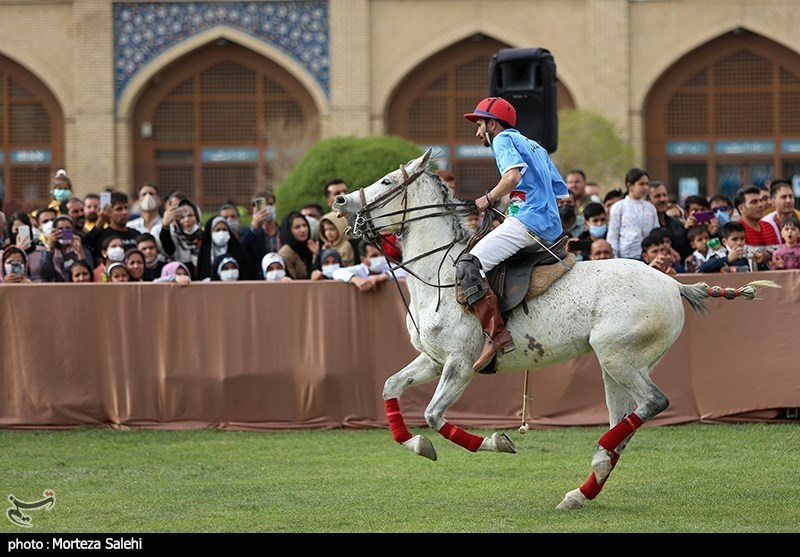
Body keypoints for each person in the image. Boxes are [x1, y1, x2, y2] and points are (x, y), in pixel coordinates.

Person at [459, 97, 569, 371]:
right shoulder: (536, 146)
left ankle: (495, 335)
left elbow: (512, 178)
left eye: (480, 124)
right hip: (551, 227)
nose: (477, 132)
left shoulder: (501, 140)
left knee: (468, 264)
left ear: (492, 124)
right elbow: (562, 193)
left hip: (528, 222)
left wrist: (489, 198)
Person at [607, 168, 659, 259]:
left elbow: (656, 232)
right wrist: (614, 259)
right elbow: (613, 235)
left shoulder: (650, 208)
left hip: (648, 256)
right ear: (630, 185)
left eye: (647, 184)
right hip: (626, 256)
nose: (645, 187)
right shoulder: (618, 207)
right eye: (641, 184)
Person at [83, 191, 140, 261]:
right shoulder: (103, 237)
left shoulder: (136, 234)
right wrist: (101, 220)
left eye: (126, 208)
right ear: (109, 211)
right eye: (119, 209)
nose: (124, 212)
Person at [331, 239, 407, 292]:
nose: (380, 258)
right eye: (374, 256)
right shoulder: (359, 269)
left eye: (381, 254)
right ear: (363, 259)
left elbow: (405, 270)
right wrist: (356, 280)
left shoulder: (388, 267)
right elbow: (337, 272)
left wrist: (382, 277)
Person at [196, 216, 256, 281]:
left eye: (224, 229)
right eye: (217, 230)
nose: (221, 232)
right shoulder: (204, 254)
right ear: (210, 232)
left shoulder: (239, 251)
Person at [158, 198, 203, 278]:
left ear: (197, 216)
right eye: (182, 217)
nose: (187, 220)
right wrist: (165, 225)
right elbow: (169, 249)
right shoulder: (174, 235)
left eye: (190, 215)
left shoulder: (205, 235)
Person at [647, 181, 691, 261]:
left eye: (664, 195)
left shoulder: (677, 225)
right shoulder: (645, 226)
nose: (662, 199)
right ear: (647, 201)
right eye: (657, 196)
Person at [40, 215, 93, 282]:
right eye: (60, 229)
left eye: (68, 228)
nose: (64, 231)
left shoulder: (84, 249)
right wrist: (49, 248)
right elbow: (45, 273)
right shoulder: (48, 251)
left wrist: (80, 252)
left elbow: (89, 271)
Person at [734, 185, 776, 268]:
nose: (760, 205)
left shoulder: (769, 226)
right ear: (741, 208)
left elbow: (779, 253)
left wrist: (767, 255)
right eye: (754, 202)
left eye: (760, 201)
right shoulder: (735, 230)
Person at [240, 190, 280, 266]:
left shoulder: (283, 231)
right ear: (254, 209)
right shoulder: (248, 232)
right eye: (263, 205)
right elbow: (240, 251)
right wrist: (253, 227)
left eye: (270, 204)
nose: (267, 208)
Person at [277, 211, 319, 280]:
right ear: (289, 231)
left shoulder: (310, 247)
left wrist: (317, 254)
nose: (303, 230)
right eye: (297, 227)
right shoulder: (286, 253)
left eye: (304, 225)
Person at [760, 180, 800, 245]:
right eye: (783, 197)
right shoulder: (765, 223)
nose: (788, 201)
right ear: (773, 202)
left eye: (791, 196)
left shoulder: (799, 218)